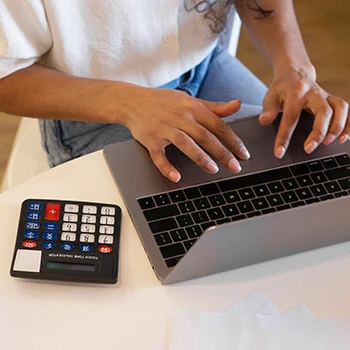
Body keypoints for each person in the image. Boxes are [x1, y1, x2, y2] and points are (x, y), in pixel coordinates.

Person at [0, 0, 348, 183]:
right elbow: (5, 76)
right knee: (188, 233)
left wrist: (294, 68)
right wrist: (129, 103)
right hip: (95, 102)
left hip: (204, 62)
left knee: (313, 171)